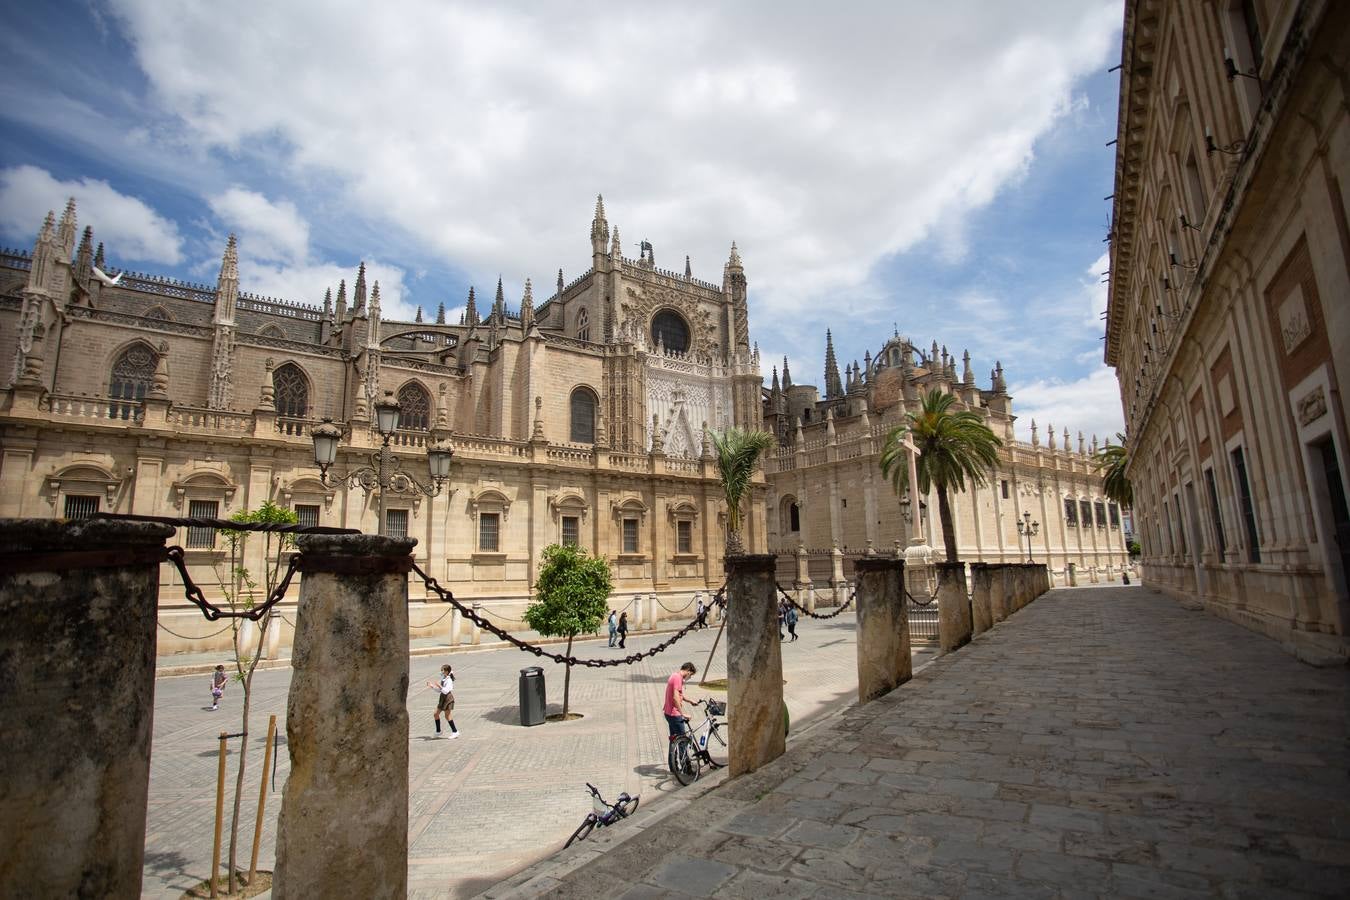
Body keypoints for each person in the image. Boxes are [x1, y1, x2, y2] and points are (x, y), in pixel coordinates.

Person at [663, 662, 697, 739]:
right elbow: (675, 697)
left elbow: (678, 694)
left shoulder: (675, 675)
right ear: (688, 671)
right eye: (691, 674)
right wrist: (682, 714)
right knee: (682, 741)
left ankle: (672, 751)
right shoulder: (678, 678)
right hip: (674, 714)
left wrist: (690, 700)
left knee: (674, 739)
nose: (690, 677)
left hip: (668, 713)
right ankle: (681, 751)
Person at [426, 664, 460, 739]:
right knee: (435, 714)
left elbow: (445, 691)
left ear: (447, 671)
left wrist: (439, 685)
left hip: (448, 699)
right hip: (442, 698)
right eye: (441, 670)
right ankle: (438, 731)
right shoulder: (444, 678)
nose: (441, 672)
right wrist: (432, 686)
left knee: (447, 716)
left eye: (442, 670)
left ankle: (455, 732)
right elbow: (440, 691)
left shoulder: (449, 680)